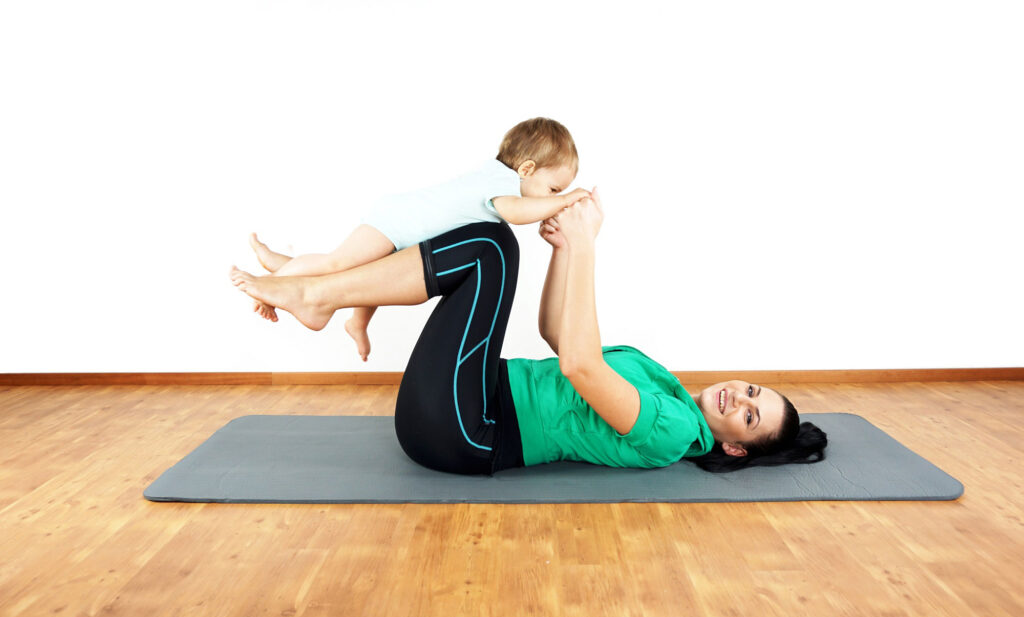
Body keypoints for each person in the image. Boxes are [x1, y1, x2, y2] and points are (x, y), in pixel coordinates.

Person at [229, 190, 828, 475]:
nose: (740, 398)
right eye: (752, 391)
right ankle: (322, 283)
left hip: (465, 431)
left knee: (491, 249)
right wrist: (567, 251)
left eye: (750, 417)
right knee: (493, 242)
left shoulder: (673, 432)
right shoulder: (664, 384)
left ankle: (319, 294)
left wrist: (590, 246)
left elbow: (581, 368)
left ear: (732, 447)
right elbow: (556, 336)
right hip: (463, 404)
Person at [244, 116, 590, 362]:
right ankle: (274, 283)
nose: (551, 198)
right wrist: (564, 201)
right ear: (526, 170)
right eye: (552, 188)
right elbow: (515, 213)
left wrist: (554, 200)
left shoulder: (497, 176)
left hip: (402, 229)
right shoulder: (502, 182)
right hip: (395, 221)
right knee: (335, 264)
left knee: (366, 278)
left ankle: (351, 319)